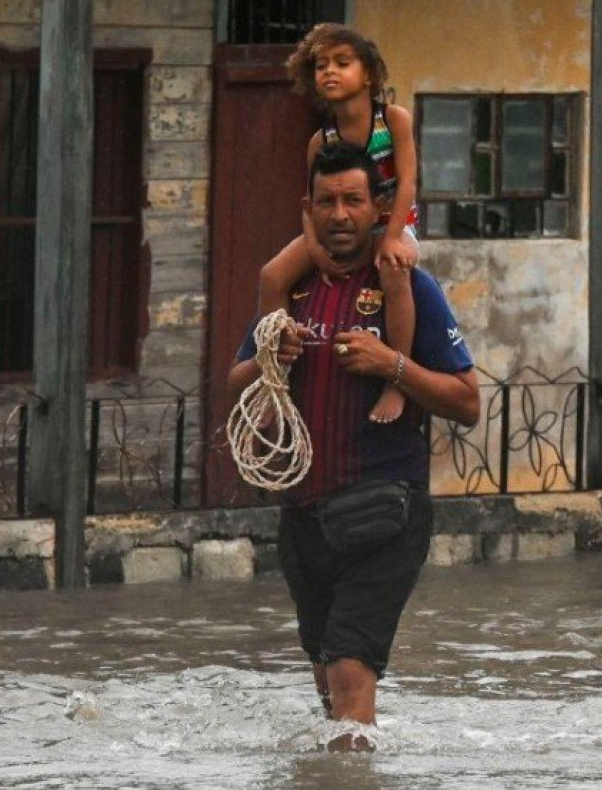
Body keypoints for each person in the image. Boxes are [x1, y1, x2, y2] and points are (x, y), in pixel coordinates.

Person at [228, 143, 479, 751]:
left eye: (353, 200)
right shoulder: (294, 290)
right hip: (306, 513)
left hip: (385, 509)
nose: (340, 214)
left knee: (347, 667)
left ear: (378, 208)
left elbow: (467, 401)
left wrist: (392, 365)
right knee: (326, 675)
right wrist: (270, 360)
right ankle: (346, 764)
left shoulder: (408, 286)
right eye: (327, 201)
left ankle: (350, 764)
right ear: (307, 209)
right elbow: (233, 385)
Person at [260, 23, 420, 425]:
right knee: (273, 275)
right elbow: (310, 202)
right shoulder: (322, 140)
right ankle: (272, 382)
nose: (329, 71)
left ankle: (397, 379)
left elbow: (408, 183)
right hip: (335, 228)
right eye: (320, 65)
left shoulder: (393, 120)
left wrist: (393, 236)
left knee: (394, 271)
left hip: (391, 222)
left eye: (342, 63)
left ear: (368, 74)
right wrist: (314, 248)